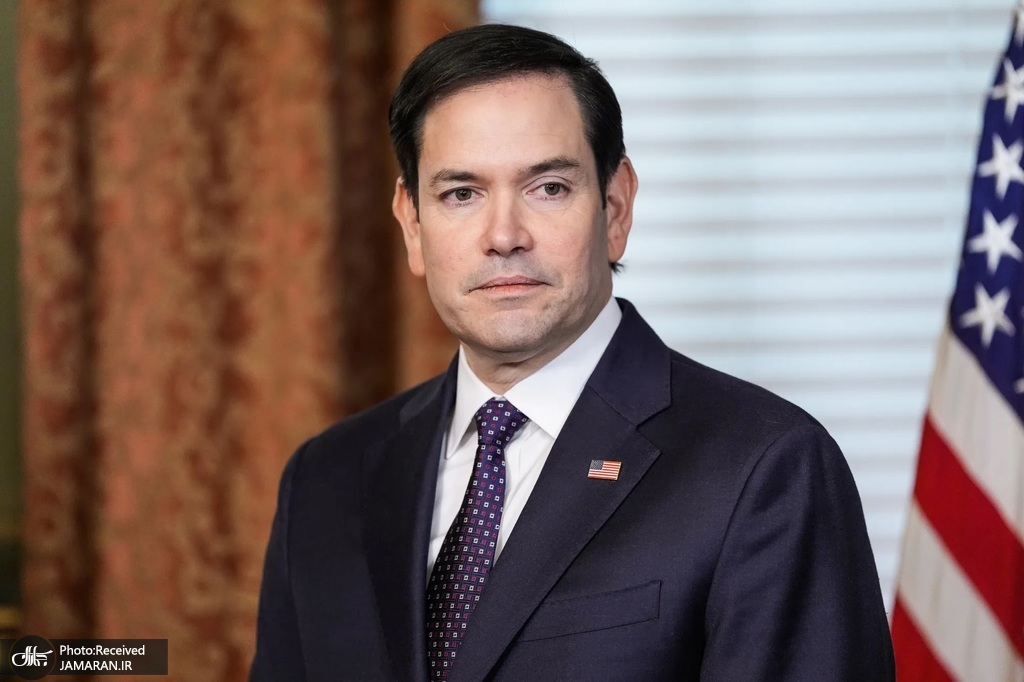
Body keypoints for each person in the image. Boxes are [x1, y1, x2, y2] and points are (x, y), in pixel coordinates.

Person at [250, 24, 895, 682]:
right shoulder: (325, 482)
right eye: (461, 194)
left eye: (548, 187)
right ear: (412, 223)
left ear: (616, 208)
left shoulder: (765, 467)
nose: (504, 236)